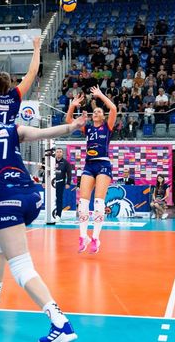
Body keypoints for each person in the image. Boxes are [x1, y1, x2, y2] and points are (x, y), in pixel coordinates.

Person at [0, 94, 84, 341]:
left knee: (21, 267)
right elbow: (44, 133)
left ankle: (61, 324)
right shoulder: (11, 128)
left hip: (7, 203)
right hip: (32, 198)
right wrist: (72, 127)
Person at [0, 28, 42, 264]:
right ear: (10, 84)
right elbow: (32, 72)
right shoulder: (15, 96)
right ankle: (6, 233)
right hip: (9, 147)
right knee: (7, 191)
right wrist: (36, 48)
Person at [67, 86, 117, 254]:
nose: (95, 113)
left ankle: (95, 238)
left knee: (98, 202)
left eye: (98, 112)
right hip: (89, 165)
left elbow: (113, 108)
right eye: (94, 111)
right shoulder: (87, 128)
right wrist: (72, 105)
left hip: (103, 164)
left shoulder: (107, 127)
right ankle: (83, 237)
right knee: (82, 202)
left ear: (103, 116)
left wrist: (100, 95)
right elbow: (69, 121)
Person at [53, 148, 72, 223]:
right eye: (57, 152)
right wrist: (44, 181)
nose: (58, 153)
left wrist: (68, 183)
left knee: (59, 199)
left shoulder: (66, 163)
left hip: (60, 183)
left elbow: (69, 174)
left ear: (62, 153)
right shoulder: (51, 161)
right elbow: (46, 171)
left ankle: (58, 215)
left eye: (60, 152)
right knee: (50, 199)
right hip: (51, 184)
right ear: (55, 153)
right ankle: (50, 214)